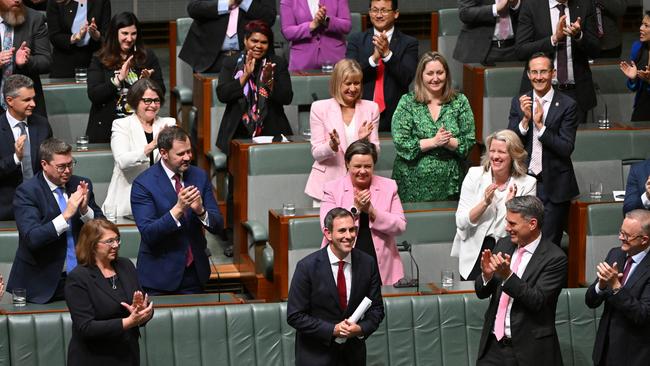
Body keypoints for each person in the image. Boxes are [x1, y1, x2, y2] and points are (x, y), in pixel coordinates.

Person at [7, 138, 102, 304]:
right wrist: (66, 215)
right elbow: (32, 238)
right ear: (44, 164)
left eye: (70, 164)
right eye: (61, 166)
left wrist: (84, 210)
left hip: (83, 278)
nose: (67, 170)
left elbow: (104, 229)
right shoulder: (27, 192)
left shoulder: (81, 185)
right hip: (41, 282)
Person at [475, 195, 568, 365]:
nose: (507, 228)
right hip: (493, 348)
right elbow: (481, 293)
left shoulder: (555, 258)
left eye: (513, 224)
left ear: (532, 224)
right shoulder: (503, 245)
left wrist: (508, 276)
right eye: (507, 221)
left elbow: (537, 300)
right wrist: (487, 275)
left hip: (528, 352)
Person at [131, 126, 223, 295]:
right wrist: (178, 209)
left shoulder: (199, 176)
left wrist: (201, 211)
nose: (187, 157)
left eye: (189, 152)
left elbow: (218, 225)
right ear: (164, 153)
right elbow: (149, 233)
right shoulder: (144, 184)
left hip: (194, 274)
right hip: (159, 278)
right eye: (181, 154)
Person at [287, 207, 385, 366]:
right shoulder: (307, 267)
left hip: (353, 357)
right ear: (328, 233)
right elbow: (295, 315)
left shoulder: (368, 264)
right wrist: (333, 329)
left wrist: (359, 329)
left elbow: (377, 309)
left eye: (352, 230)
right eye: (342, 231)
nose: (349, 236)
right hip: (316, 357)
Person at [508, 52, 579, 247]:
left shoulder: (567, 105)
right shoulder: (519, 102)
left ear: (553, 73)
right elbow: (511, 143)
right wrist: (524, 120)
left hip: (554, 186)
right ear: (529, 75)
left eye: (543, 72)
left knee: (547, 245)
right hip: (526, 182)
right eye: (534, 72)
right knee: (522, 242)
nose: (539, 77)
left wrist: (540, 126)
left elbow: (566, 148)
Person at [65, 218, 154, 366]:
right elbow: (86, 327)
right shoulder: (78, 278)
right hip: (94, 357)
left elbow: (140, 305)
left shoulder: (126, 266)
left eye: (117, 240)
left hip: (127, 355)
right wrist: (129, 322)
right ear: (92, 245)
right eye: (109, 241)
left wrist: (143, 312)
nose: (115, 245)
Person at [451, 129, 537, 281]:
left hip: (509, 251)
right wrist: (485, 203)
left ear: (513, 155)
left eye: (501, 152)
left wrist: (509, 206)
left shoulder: (528, 183)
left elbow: (523, 229)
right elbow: (461, 222)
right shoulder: (474, 175)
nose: (495, 156)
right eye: (492, 151)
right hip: (475, 251)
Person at [391, 51, 476, 202]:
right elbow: (401, 142)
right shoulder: (407, 102)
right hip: (411, 182)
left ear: (447, 75)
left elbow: (469, 140)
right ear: (421, 76)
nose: (435, 78)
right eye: (430, 73)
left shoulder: (460, 101)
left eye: (440, 73)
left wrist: (448, 142)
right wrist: (434, 142)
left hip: (451, 182)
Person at [320, 140, 405, 285]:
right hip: (344, 257)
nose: (363, 171)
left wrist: (372, 212)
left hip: (381, 262)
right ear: (347, 164)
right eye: (357, 166)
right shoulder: (332, 188)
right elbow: (327, 226)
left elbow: (400, 226)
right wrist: (355, 209)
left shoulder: (389, 186)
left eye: (368, 166)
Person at [304, 59, 380, 203]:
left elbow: (376, 153)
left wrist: (364, 141)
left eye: (356, 83)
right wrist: (331, 146)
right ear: (337, 83)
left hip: (359, 186)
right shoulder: (319, 108)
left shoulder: (371, 108)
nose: (353, 88)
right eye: (348, 83)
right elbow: (316, 153)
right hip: (326, 186)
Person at [515, 0, 600, 124]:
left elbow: (596, 50)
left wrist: (579, 36)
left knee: (575, 141)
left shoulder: (585, 4)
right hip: (541, 91)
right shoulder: (531, 5)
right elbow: (521, 51)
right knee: (538, 140)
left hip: (576, 93)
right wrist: (553, 39)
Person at [216, 20, 293, 156]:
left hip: (271, 128)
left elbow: (287, 98)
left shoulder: (277, 63)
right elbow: (223, 95)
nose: (258, 46)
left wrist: (269, 81)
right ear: (245, 41)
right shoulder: (231, 62)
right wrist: (245, 76)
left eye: (263, 42)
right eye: (254, 41)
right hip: (238, 130)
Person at [86, 12, 165, 143]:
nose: (129, 39)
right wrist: (117, 80)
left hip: (140, 125)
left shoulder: (147, 56)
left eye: (133, 34)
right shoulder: (100, 58)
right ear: (115, 33)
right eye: (125, 33)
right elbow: (94, 95)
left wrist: (148, 83)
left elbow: (161, 91)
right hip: (107, 127)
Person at [102, 79, 176, 218]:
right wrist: (153, 144)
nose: (153, 105)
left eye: (156, 100)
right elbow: (122, 161)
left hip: (162, 199)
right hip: (128, 198)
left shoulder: (168, 123)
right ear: (135, 101)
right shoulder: (121, 125)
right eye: (147, 101)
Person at [586, 209, 650, 366]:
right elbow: (591, 302)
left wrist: (616, 286)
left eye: (627, 236)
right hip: (605, 350)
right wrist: (600, 286)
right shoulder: (615, 254)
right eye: (621, 232)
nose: (621, 238)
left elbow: (643, 315)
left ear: (644, 239)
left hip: (635, 355)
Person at [345, 0, 418, 132]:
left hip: (396, 114)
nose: (379, 15)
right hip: (361, 111)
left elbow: (406, 77)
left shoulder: (409, 43)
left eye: (384, 10)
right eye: (374, 10)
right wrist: (373, 59)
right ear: (369, 12)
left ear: (396, 14)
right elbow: (348, 75)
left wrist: (387, 54)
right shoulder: (356, 40)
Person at [0, 74, 52, 220]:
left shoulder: (42, 125)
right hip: (6, 208)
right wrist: (16, 158)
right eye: (27, 100)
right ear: (10, 101)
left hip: (41, 204)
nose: (33, 104)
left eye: (33, 98)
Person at [179, 0, 276, 74]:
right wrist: (226, 4)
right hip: (210, 59)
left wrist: (242, 1)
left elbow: (269, 17)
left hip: (251, 58)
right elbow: (193, 8)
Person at [0, 0, 51, 118]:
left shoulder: (35, 19)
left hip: (26, 104)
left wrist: (28, 61)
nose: (17, 0)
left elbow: (46, 61)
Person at [280, 0, 351, 71]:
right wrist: (311, 25)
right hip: (302, 62)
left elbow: (346, 26)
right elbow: (287, 31)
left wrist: (326, 20)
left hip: (334, 60)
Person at [46, 0, 111, 78]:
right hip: (64, 63)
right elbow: (54, 35)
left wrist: (96, 35)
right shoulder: (55, 1)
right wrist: (75, 38)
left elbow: (107, 35)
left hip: (94, 61)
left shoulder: (102, 2)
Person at [453, 0, 520, 64]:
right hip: (481, 49)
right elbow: (465, 13)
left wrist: (516, 4)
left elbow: (528, 8)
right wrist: (495, 9)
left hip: (516, 48)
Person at [620, 12, 650, 121]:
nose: (641, 28)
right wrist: (633, 79)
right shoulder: (637, 47)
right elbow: (635, 87)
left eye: (646, 26)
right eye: (642, 24)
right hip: (642, 104)